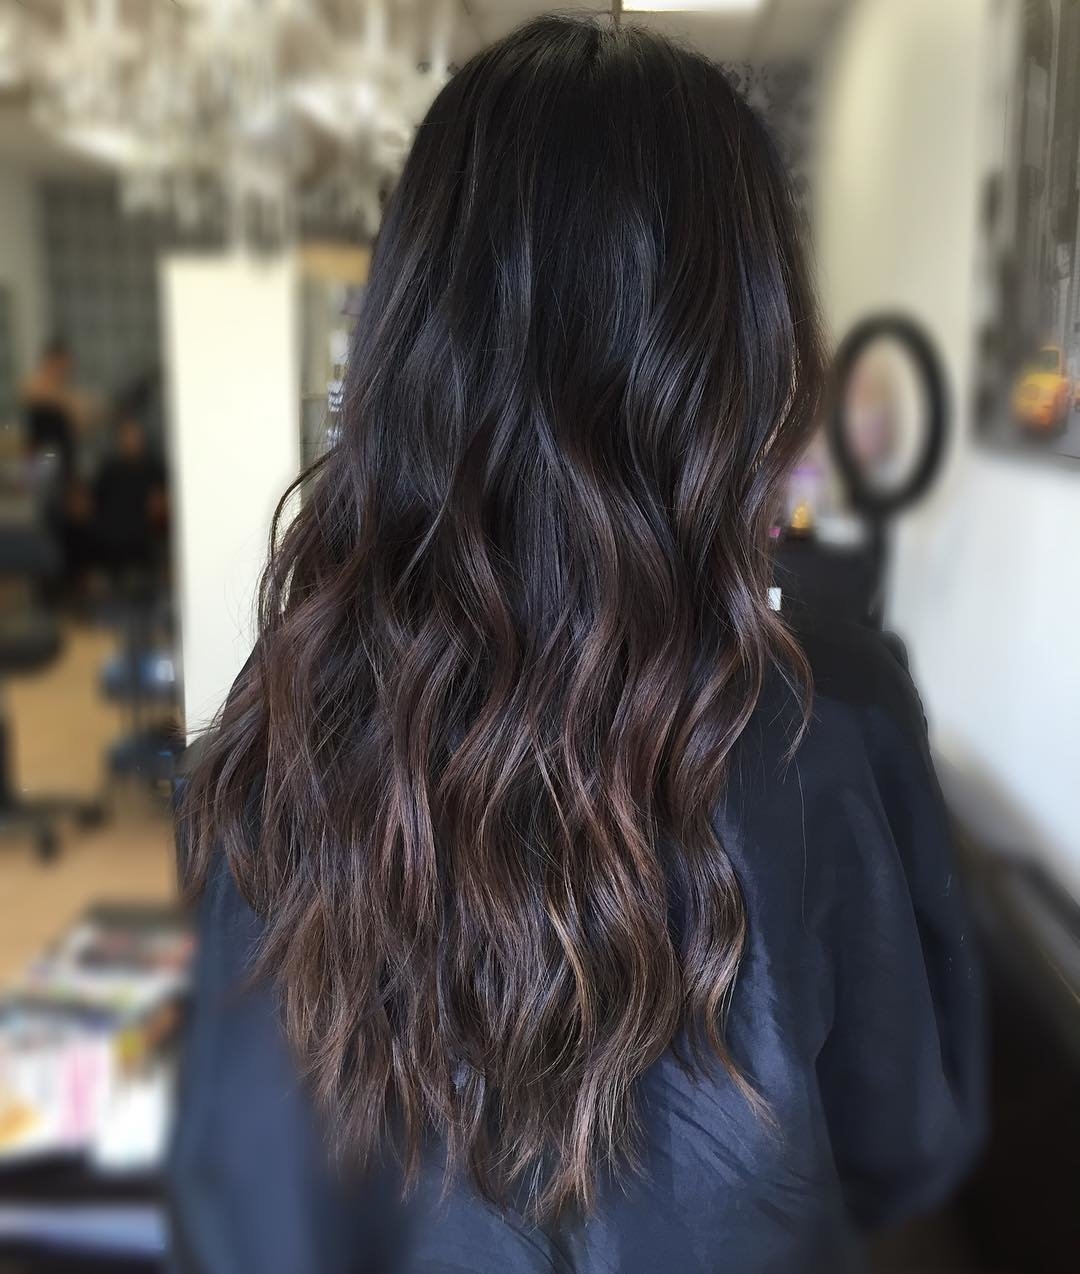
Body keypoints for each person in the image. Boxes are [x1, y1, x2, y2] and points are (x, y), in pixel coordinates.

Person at [170, 16, 983, 1274]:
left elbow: (237, 1208)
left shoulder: (287, 726)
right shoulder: (839, 720)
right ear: (743, 357)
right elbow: (908, 1144)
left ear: (410, 344)